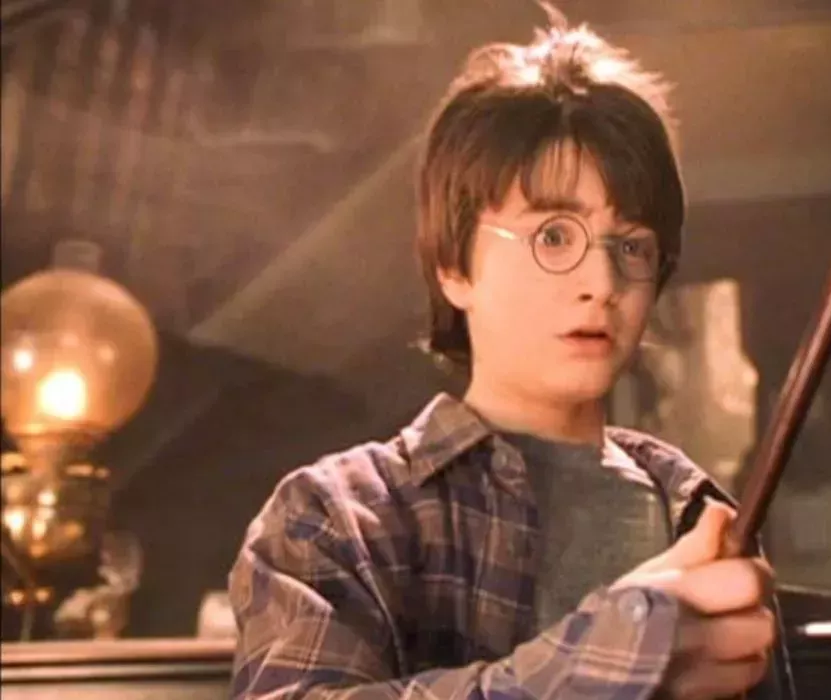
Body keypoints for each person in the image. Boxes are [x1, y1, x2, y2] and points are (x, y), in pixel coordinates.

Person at [227, 7, 791, 700]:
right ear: (453, 267)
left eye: (632, 246)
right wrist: (607, 659)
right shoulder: (336, 518)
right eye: (553, 236)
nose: (602, 282)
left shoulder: (698, 515)